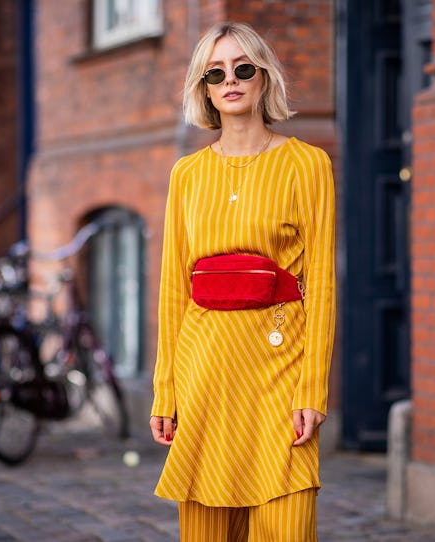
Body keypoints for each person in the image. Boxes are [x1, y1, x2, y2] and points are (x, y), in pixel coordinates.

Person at [149, 21, 336, 541]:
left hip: (279, 367)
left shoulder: (307, 164)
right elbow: (172, 290)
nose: (230, 80)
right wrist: (165, 390)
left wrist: (312, 388)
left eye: (242, 68)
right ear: (203, 88)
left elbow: (320, 285)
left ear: (263, 77)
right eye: (215, 72)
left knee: (287, 526)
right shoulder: (186, 174)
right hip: (203, 373)